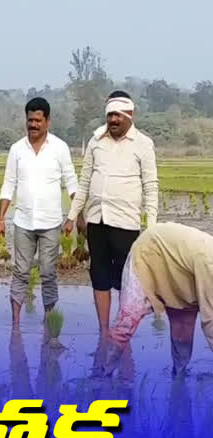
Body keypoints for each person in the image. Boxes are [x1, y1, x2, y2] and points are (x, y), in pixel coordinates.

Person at [64, 91, 159, 334]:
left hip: (126, 224)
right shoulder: (97, 141)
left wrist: (152, 226)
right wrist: (72, 215)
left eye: (117, 115)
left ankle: (122, 331)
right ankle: (104, 331)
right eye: (110, 116)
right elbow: (84, 182)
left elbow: (150, 186)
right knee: (100, 277)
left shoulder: (143, 144)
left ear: (129, 114)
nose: (113, 120)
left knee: (127, 281)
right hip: (97, 221)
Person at [0, 98, 79, 326]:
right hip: (23, 222)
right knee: (21, 271)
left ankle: (49, 322)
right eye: (30, 120)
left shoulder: (60, 148)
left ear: (48, 122)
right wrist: (1, 218)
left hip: (51, 223)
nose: (33, 124)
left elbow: (72, 183)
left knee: (48, 273)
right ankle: (15, 324)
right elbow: (8, 184)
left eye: (38, 120)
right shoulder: (16, 149)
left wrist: (77, 216)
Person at [103, 222, 213, 377]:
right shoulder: (210, 265)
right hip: (151, 249)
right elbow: (211, 322)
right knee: (127, 321)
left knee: (184, 327)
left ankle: (179, 375)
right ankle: (103, 375)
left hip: (181, 268)